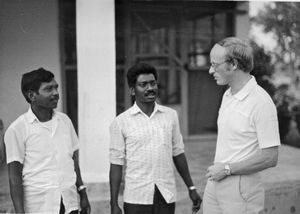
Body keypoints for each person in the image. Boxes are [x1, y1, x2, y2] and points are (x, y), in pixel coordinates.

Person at [109, 63, 202, 214]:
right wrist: (113, 203)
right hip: (136, 197)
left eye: (153, 83)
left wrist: (191, 187)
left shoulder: (170, 116)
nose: (150, 88)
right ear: (133, 90)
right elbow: (116, 164)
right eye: (143, 85)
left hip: (165, 193)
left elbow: (178, 152)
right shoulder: (120, 122)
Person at [204, 37, 280, 214]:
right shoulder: (227, 94)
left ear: (234, 64)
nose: (210, 70)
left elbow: (270, 157)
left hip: (241, 187)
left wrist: (227, 169)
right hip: (216, 180)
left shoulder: (261, 103)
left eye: (215, 65)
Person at [4, 68, 90, 214]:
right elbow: (14, 176)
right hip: (40, 206)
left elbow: (72, 160)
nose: (56, 93)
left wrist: (82, 193)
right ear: (32, 95)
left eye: (56, 87)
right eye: (48, 89)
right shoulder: (17, 129)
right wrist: (19, 211)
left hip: (69, 203)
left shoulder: (65, 121)